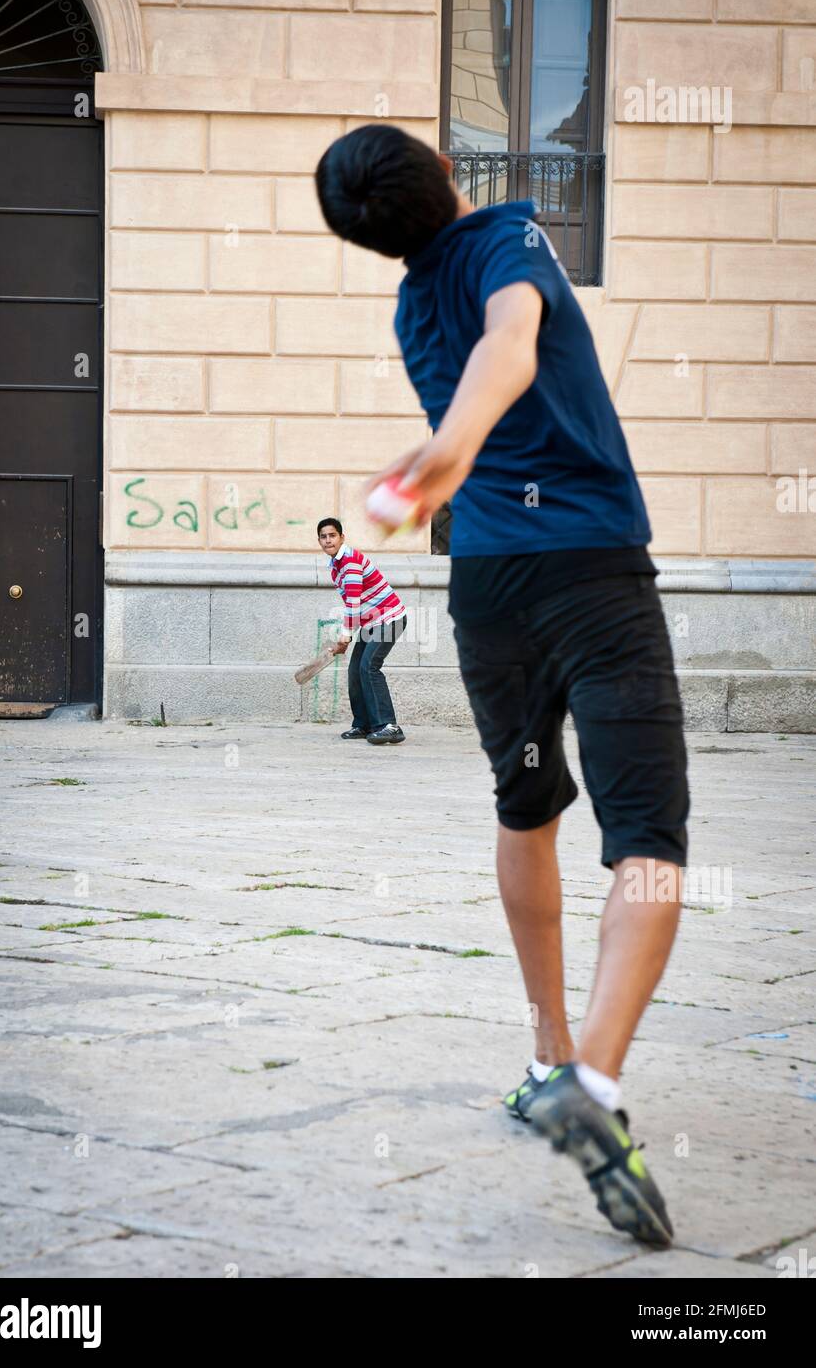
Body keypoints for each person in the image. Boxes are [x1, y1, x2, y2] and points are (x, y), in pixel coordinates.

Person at [315, 125, 690, 1246]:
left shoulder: (407, 304)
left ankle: (542, 1050)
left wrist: (442, 461)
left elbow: (485, 359)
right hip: (590, 574)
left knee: (524, 803)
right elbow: (512, 343)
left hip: (486, 588)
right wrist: (454, 445)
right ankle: (594, 1080)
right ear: (443, 169)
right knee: (648, 838)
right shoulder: (507, 234)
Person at [317, 517, 407, 745]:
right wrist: (346, 637)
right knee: (356, 670)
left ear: (341, 537)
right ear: (319, 541)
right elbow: (355, 606)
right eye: (323, 537)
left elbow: (353, 605)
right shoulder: (335, 567)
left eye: (332, 535)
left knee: (369, 667)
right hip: (371, 623)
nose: (328, 540)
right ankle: (364, 724)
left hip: (390, 618)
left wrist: (344, 639)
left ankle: (389, 726)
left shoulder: (350, 561)